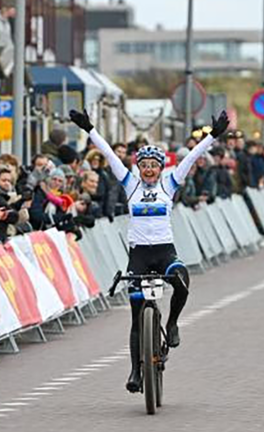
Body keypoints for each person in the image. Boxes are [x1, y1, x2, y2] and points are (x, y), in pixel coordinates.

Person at [69, 108, 229, 393]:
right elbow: (109, 155)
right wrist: (90, 129)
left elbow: (191, 158)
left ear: (160, 166)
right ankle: (135, 372)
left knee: (181, 280)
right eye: (144, 165)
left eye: (154, 164)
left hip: (165, 251)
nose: (150, 169)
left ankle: (173, 322)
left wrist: (212, 136)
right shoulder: (130, 185)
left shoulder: (170, 183)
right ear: (138, 167)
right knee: (135, 314)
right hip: (139, 255)